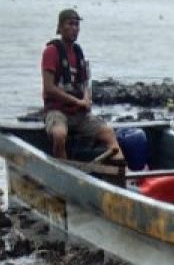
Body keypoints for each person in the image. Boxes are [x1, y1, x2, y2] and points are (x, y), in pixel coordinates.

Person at [40, 8, 123, 162]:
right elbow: (49, 88)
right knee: (59, 135)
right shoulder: (51, 52)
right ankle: (63, 171)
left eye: (77, 25)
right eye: (70, 24)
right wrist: (77, 101)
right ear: (59, 28)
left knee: (109, 133)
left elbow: (85, 84)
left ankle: (121, 174)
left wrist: (86, 99)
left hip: (79, 114)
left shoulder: (78, 53)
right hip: (57, 111)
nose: (74, 28)